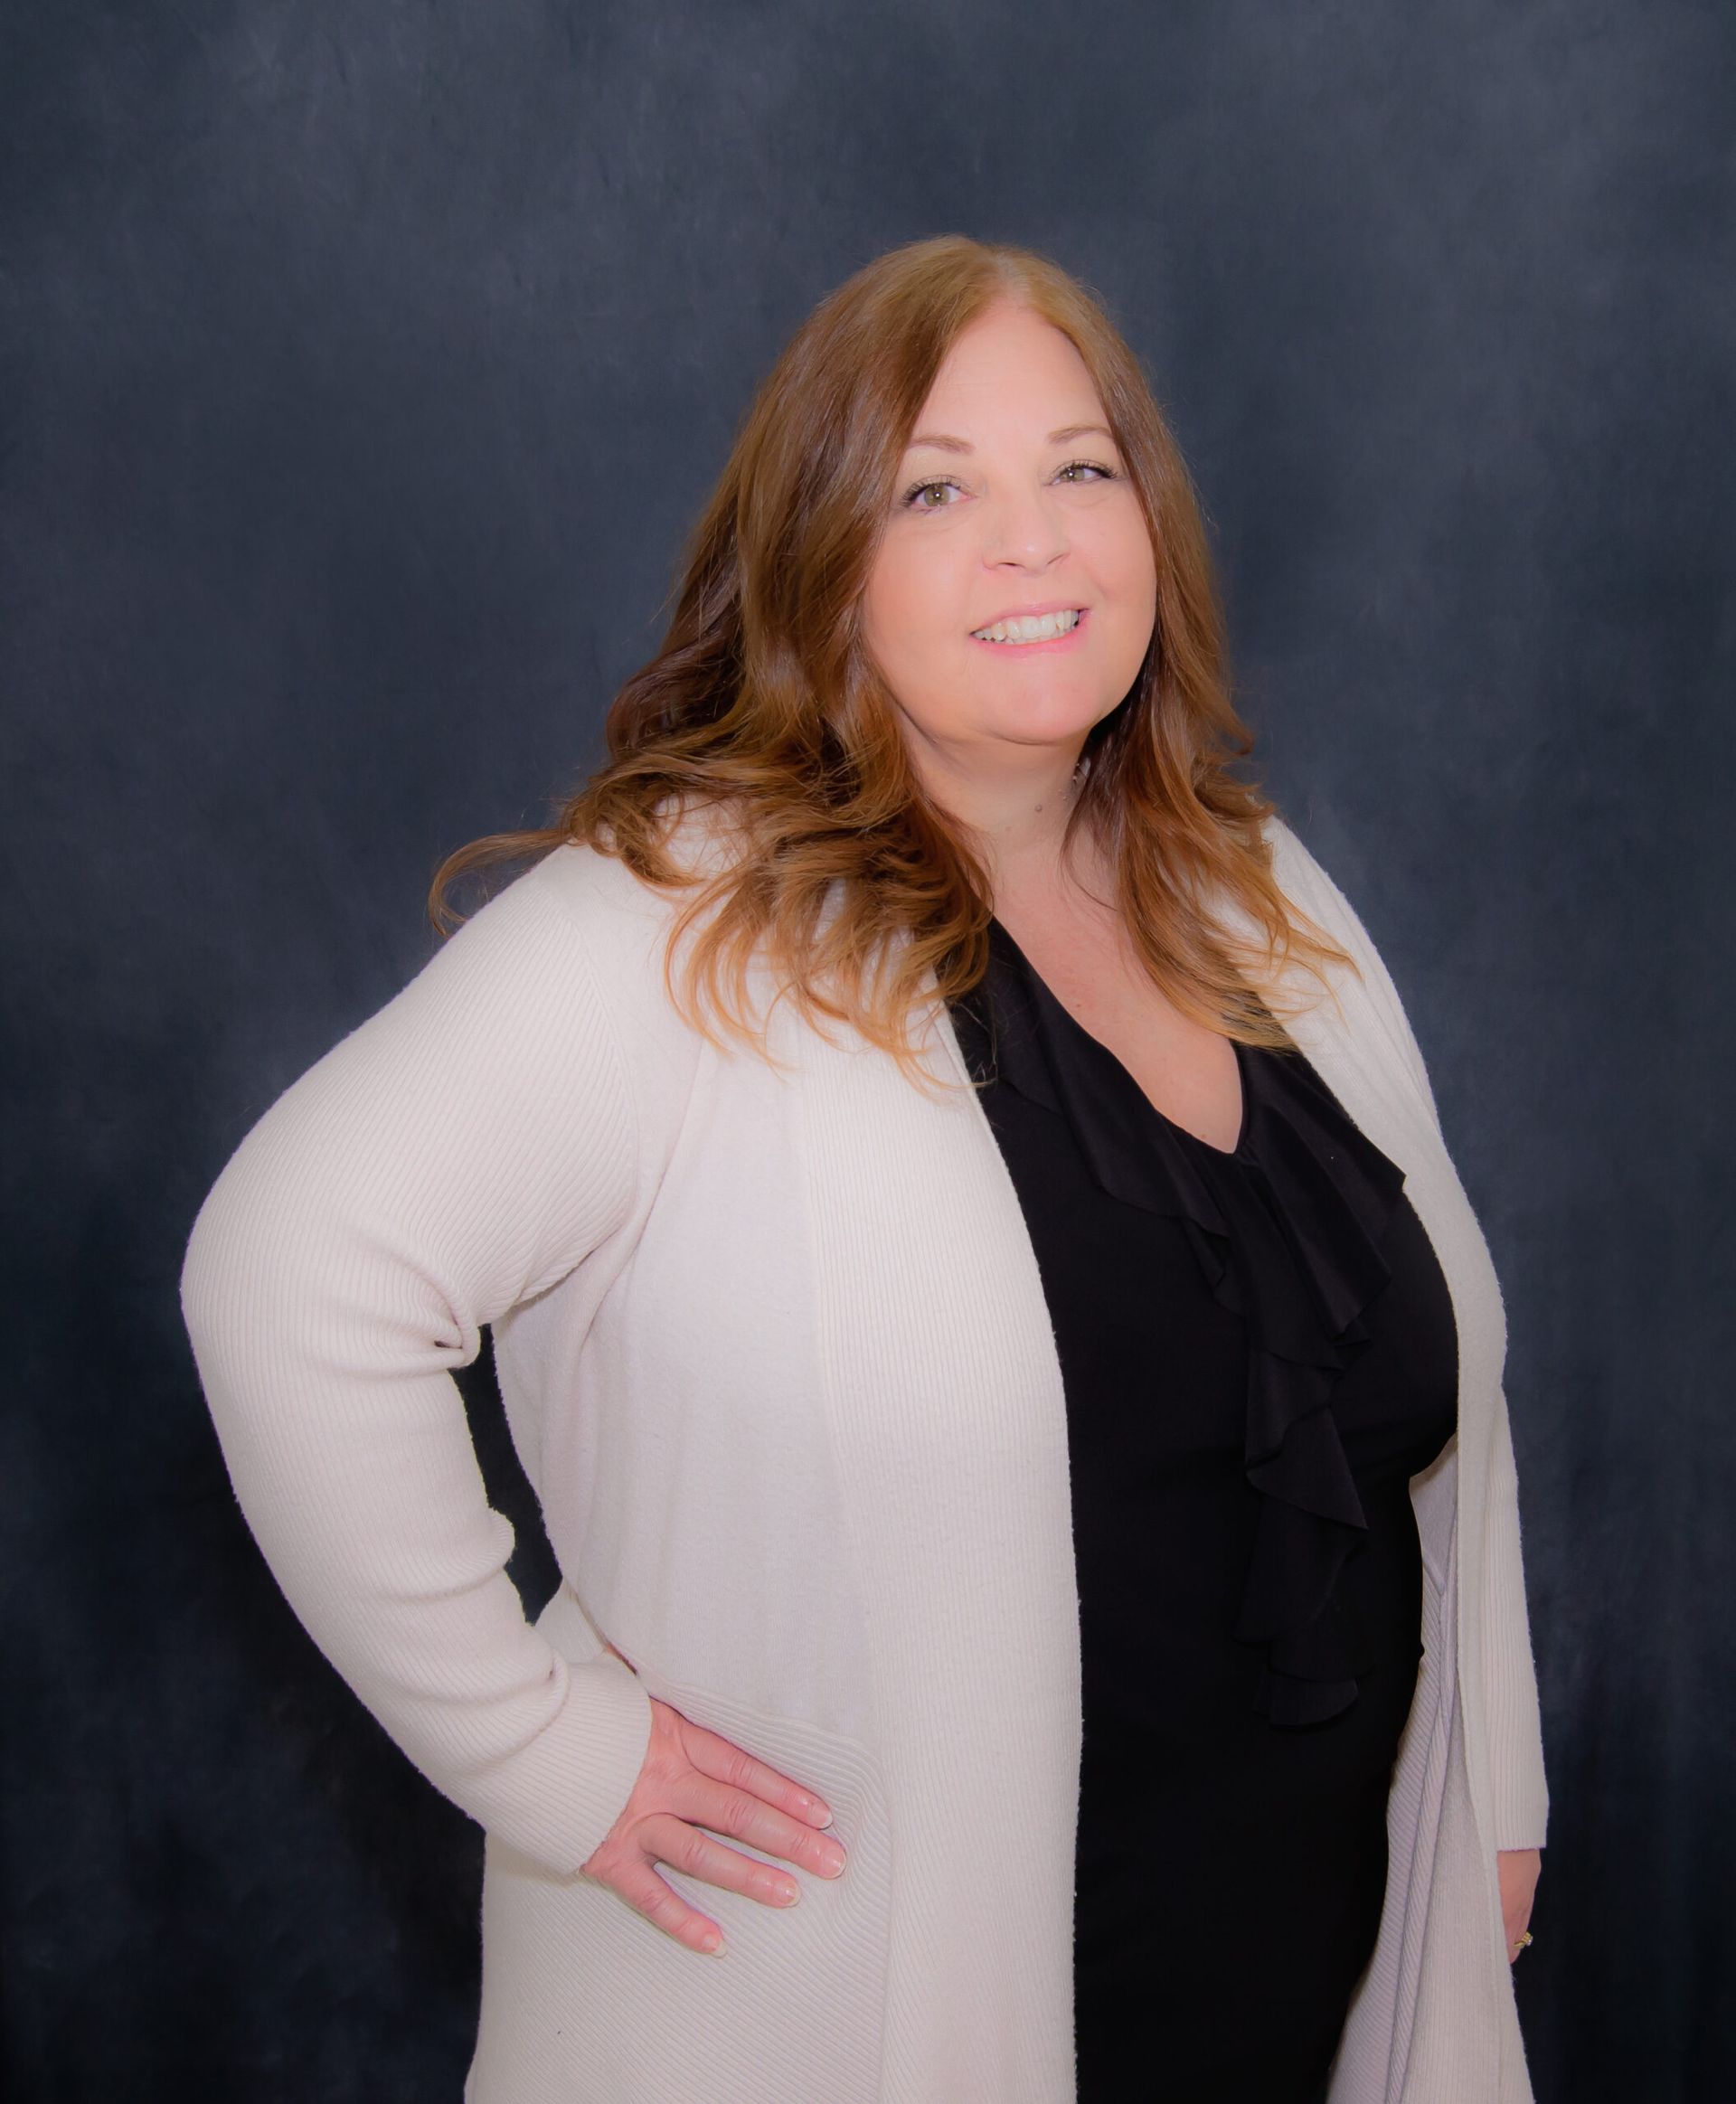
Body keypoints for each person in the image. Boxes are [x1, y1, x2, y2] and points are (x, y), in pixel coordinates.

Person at [180, 235, 1548, 2103]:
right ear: (825, 558)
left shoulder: (1256, 888)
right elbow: (287, 1276)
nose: (1035, 541)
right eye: (935, 487)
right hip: (850, 2025)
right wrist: (543, 1756)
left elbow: (1434, 1384)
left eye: (1083, 467)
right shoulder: (685, 924)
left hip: (1282, 1999)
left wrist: (1496, 1774)